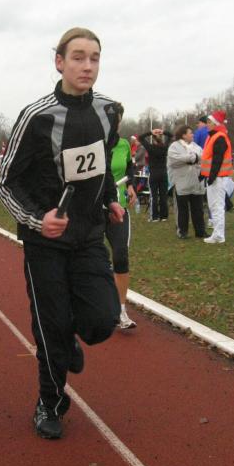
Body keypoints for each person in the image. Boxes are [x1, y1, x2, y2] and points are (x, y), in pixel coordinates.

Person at [0, 27, 123, 440]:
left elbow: (101, 165)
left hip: (89, 236)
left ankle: (70, 342)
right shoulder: (37, 116)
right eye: (78, 57)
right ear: (59, 62)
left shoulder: (109, 111)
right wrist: (39, 220)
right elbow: (5, 183)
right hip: (44, 240)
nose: (88, 66)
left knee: (102, 321)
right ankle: (50, 403)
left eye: (94, 58)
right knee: (51, 326)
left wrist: (110, 199)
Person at [106, 103, 138, 330]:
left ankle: (121, 310)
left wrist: (131, 185)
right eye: (112, 119)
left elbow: (129, 168)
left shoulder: (125, 144)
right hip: (94, 208)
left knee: (121, 255)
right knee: (92, 257)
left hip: (120, 208)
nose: (115, 123)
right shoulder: (94, 143)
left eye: (118, 119)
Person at [167, 125, 207, 239]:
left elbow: (203, 157)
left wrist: (194, 158)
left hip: (196, 183)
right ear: (183, 135)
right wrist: (192, 158)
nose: (193, 135)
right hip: (181, 183)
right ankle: (182, 232)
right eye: (190, 133)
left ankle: (200, 232)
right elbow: (174, 161)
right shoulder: (174, 147)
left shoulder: (196, 146)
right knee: (182, 210)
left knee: (198, 209)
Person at [200, 110, 233, 244]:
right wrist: (203, 175)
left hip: (218, 178)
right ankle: (217, 234)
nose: (207, 124)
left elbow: (217, 160)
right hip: (214, 177)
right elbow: (209, 159)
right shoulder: (213, 136)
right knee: (214, 206)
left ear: (215, 123)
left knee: (217, 206)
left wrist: (212, 177)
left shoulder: (219, 137)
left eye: (209, 122)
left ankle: (219, 235)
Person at [137, 128, 172, 221]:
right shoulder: (164, 147)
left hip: (154, 174)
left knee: (154, 196)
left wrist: (150, 132)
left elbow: (140, 138)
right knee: (163, 195)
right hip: (163, 173)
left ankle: (155, 216)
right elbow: (171, 136)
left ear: (153, 140)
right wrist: (163, 132)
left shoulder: (150, 147)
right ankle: (164, 216)